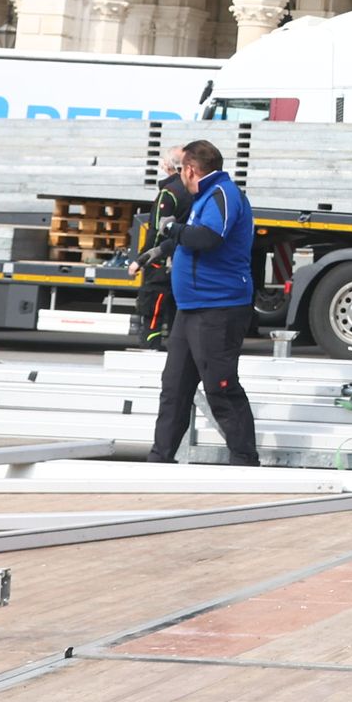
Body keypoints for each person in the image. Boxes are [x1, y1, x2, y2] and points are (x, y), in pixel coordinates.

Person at [149, 138, 263, 468]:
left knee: (220, 387)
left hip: (218, 308)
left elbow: (207, 238)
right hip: (193, 308)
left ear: (190, 169)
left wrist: (173, 230)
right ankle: (159, 459)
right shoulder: (205, 198)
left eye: (179, 169)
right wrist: (163, 248)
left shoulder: (223, 194)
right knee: (174, 387)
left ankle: (244, 461)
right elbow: (191, 237)